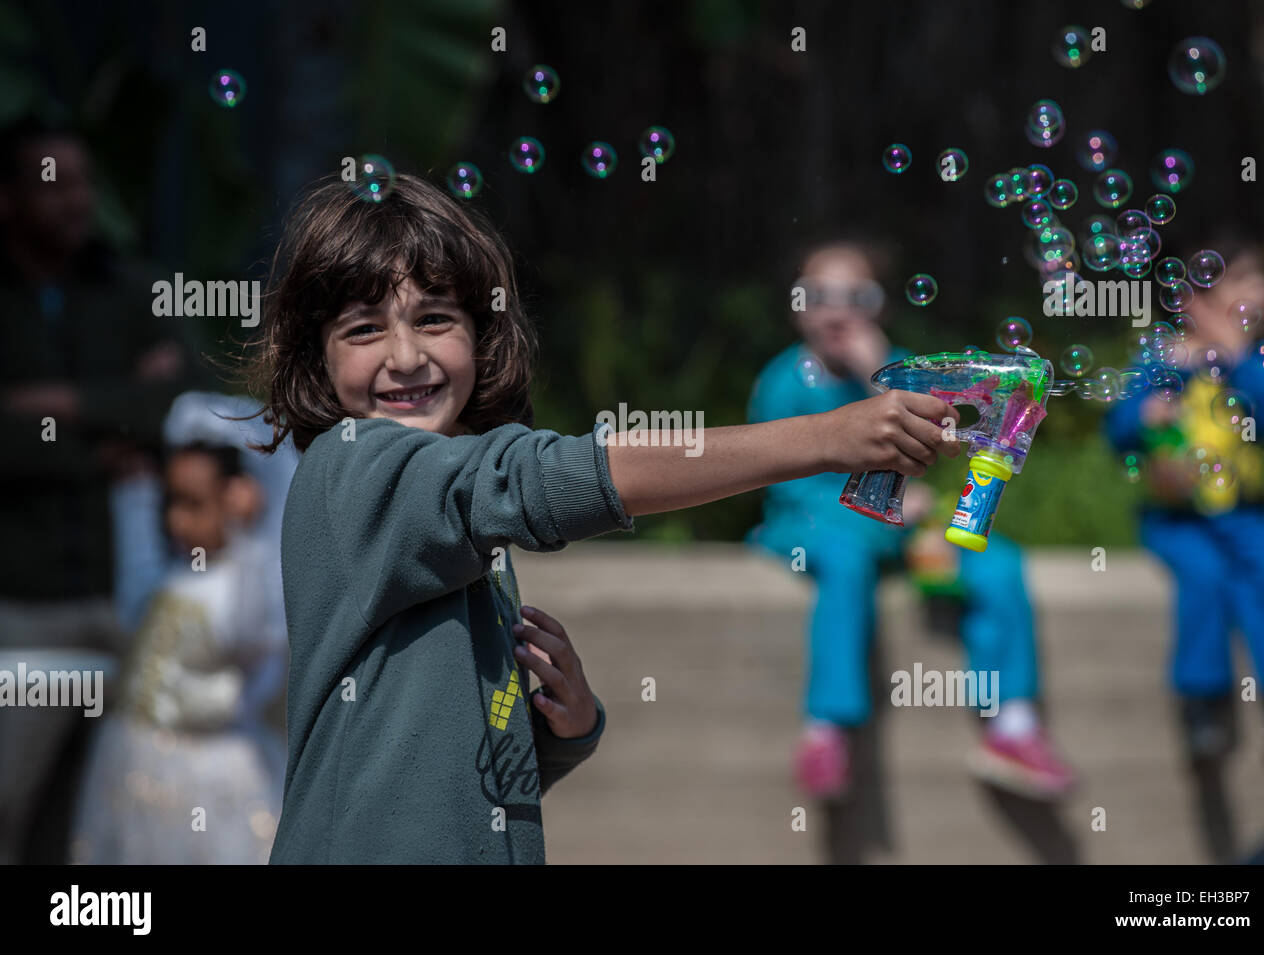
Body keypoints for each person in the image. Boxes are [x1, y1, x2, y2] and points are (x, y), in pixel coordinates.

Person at [234, 173, 959, 864]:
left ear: (480, 336)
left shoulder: (457, 515)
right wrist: (822, 438)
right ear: (316, 360)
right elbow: (544, 478)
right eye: (363, 329)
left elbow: (453, 798)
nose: (405, 354)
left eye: (434, 318)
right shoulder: (352, 468)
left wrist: (564, 727)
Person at [746, 237, 1075, 806]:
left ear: (880, 307)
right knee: (846, 565)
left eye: (857, 295)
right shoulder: (783, 382)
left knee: (998, 563)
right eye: (819, 295)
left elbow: (936, 448)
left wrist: (881, 374)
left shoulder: (899, 370)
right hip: (810, 527)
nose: (838, 309)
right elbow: (783, 481)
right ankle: (826, 729)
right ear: (797, 307)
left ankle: (1013, 726)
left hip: (890, 525)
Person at [0, 115, 219, 863]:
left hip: (127, 597)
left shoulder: (130, 289)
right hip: (20, 610)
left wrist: (55, 404)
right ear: (8, 198)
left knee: (102, 822)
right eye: (53, 182)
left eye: (85, 180)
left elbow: (182, 406)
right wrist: (110, 428)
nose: (76, 200)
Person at [1104, 234, 1264, 863]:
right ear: (1194, 298)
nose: (1262, 294)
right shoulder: (1161, 358)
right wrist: (1146, 416)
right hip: (1179, 519)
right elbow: (1120, 432)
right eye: (1245, 282)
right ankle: (1204, 703)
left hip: (1244, 514)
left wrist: (1238, 358)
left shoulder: (1255, 363)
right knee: (1204, 580)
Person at [69, 392, 293, 863]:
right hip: (134, 757)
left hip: (207, 775)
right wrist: (133, 497)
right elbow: (134, 600)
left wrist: (245, 534)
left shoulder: (244, 585)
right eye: (171, 501)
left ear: (239, 500)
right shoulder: (178, 573)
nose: (175, 520)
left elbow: (251, 633)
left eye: (194, 504)